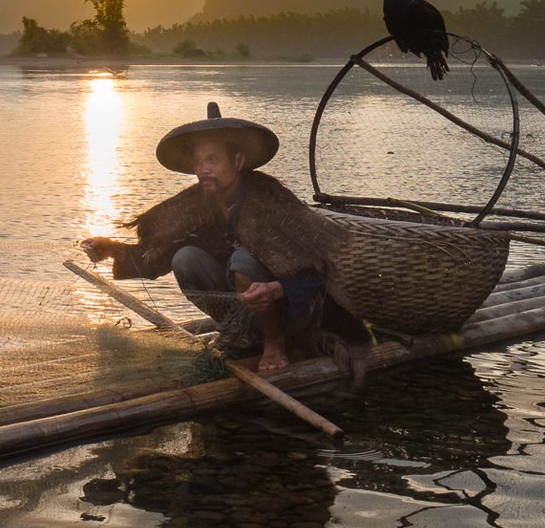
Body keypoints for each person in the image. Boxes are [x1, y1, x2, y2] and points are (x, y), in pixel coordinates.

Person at [80, 102, 357, 374]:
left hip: (294, 315)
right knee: (185, 258)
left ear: (237, 161)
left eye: (212, 160)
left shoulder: (269, 200)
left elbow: (319, 267)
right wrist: (112, 250)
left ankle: (274, 341)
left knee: (242, 260)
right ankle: (242, 334)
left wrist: (275, 288)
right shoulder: (199, 204)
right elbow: (159, 257)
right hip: (246, 311)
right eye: (198, 161)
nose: (202, 169)